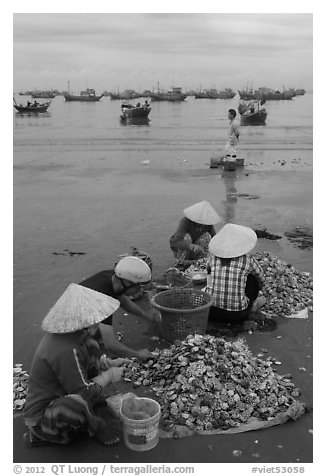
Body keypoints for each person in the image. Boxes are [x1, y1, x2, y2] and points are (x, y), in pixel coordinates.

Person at [23, 284, 126, 447]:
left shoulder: (77, 336)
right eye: (97, 320)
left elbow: (86, 356)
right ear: (85, 323)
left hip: (62, 391)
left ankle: (90, 407)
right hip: (44, 415)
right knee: (77, 403)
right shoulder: (65, 349)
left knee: (91, 345)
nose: (98, 322)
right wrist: (109, 376)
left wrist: (107, 363)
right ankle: (40, 435)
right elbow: (82, 393)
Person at [79, 256, 160, 360]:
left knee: (98, 335)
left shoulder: (113, 277)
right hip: (73, 324)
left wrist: (145, 315)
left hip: (85, 305)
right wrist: (138, 354)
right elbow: (110, 344)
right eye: (138, 287)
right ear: (127, 283)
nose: (140, 291)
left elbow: (122, 299)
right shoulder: (104, 300)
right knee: (93, 351)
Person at [206, 223, 265, 323]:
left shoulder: (212, 259)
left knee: (212, 275)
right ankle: (252, 305)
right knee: (252, 278)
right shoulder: (247, 259)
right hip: (238, 315)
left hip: (212, 312)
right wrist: (259, 288)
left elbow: (208, 272)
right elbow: (261, 279)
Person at [170, 200, 221, 268]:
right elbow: (176, 242)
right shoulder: (185, 221)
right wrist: (191, 246)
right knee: (186, 237)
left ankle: (199, 260)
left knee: (207, 236)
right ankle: (181, 262)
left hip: (197, 250)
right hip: (183, 249)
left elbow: (215, 239)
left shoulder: (208, 224)